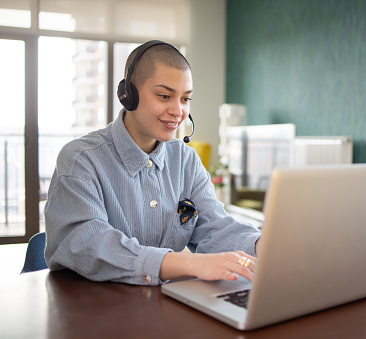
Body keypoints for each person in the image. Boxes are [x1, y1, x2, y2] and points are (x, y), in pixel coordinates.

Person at [44, 40, 261, 286]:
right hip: (91, 309)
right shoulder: (80, 160)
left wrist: (261, 245)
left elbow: (215, 227)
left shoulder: (186, 160)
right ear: (128, 95)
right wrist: (188, 263)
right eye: (164, 96)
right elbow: (88, 243)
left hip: (160, 309)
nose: (178, 111)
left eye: (185, 99)